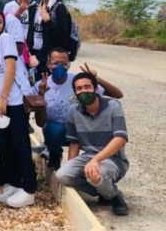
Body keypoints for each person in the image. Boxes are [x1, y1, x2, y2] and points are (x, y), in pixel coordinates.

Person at [0, 9, 36, 208]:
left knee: (20, 143)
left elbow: (10, 68)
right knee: (5, 144)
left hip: (15, 101)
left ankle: (29, 188)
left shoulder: (6, 39)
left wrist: (3, 98)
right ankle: (14, 182)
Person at [33, 48, 123, 169]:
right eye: (55, 63)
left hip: (81, 132)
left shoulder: (77, 81)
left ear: (69, 65)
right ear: (48, 64)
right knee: (53, 130)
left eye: (64, 64)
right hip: (59, 134)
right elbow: (40, 123)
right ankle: (55, 156)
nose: (59, 67)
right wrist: (41, 95)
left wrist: (96, 78)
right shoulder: (40, 85)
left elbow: (118, 95)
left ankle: (98, 161)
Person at [55, 73, 130, 216]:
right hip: (88, 157)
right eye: (79, 88)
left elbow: (120, 138)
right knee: (62, 176)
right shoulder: (74, 110)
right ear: (75, 92)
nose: (83, 91)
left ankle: (114, 197)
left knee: (94, 175)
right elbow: (74, 142)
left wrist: (96, 160)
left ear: (96, 89)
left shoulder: (113, 105)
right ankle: (104, 190)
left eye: (87, 87)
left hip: (113, 158)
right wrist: (71, 166)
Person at [27, 0, 72, 76]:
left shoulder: (59, 9)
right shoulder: (34, 8)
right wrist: (30, 55)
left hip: (49, 61)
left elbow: (61, 39)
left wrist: (47, 21)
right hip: (33, 58)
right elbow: (30, 34)